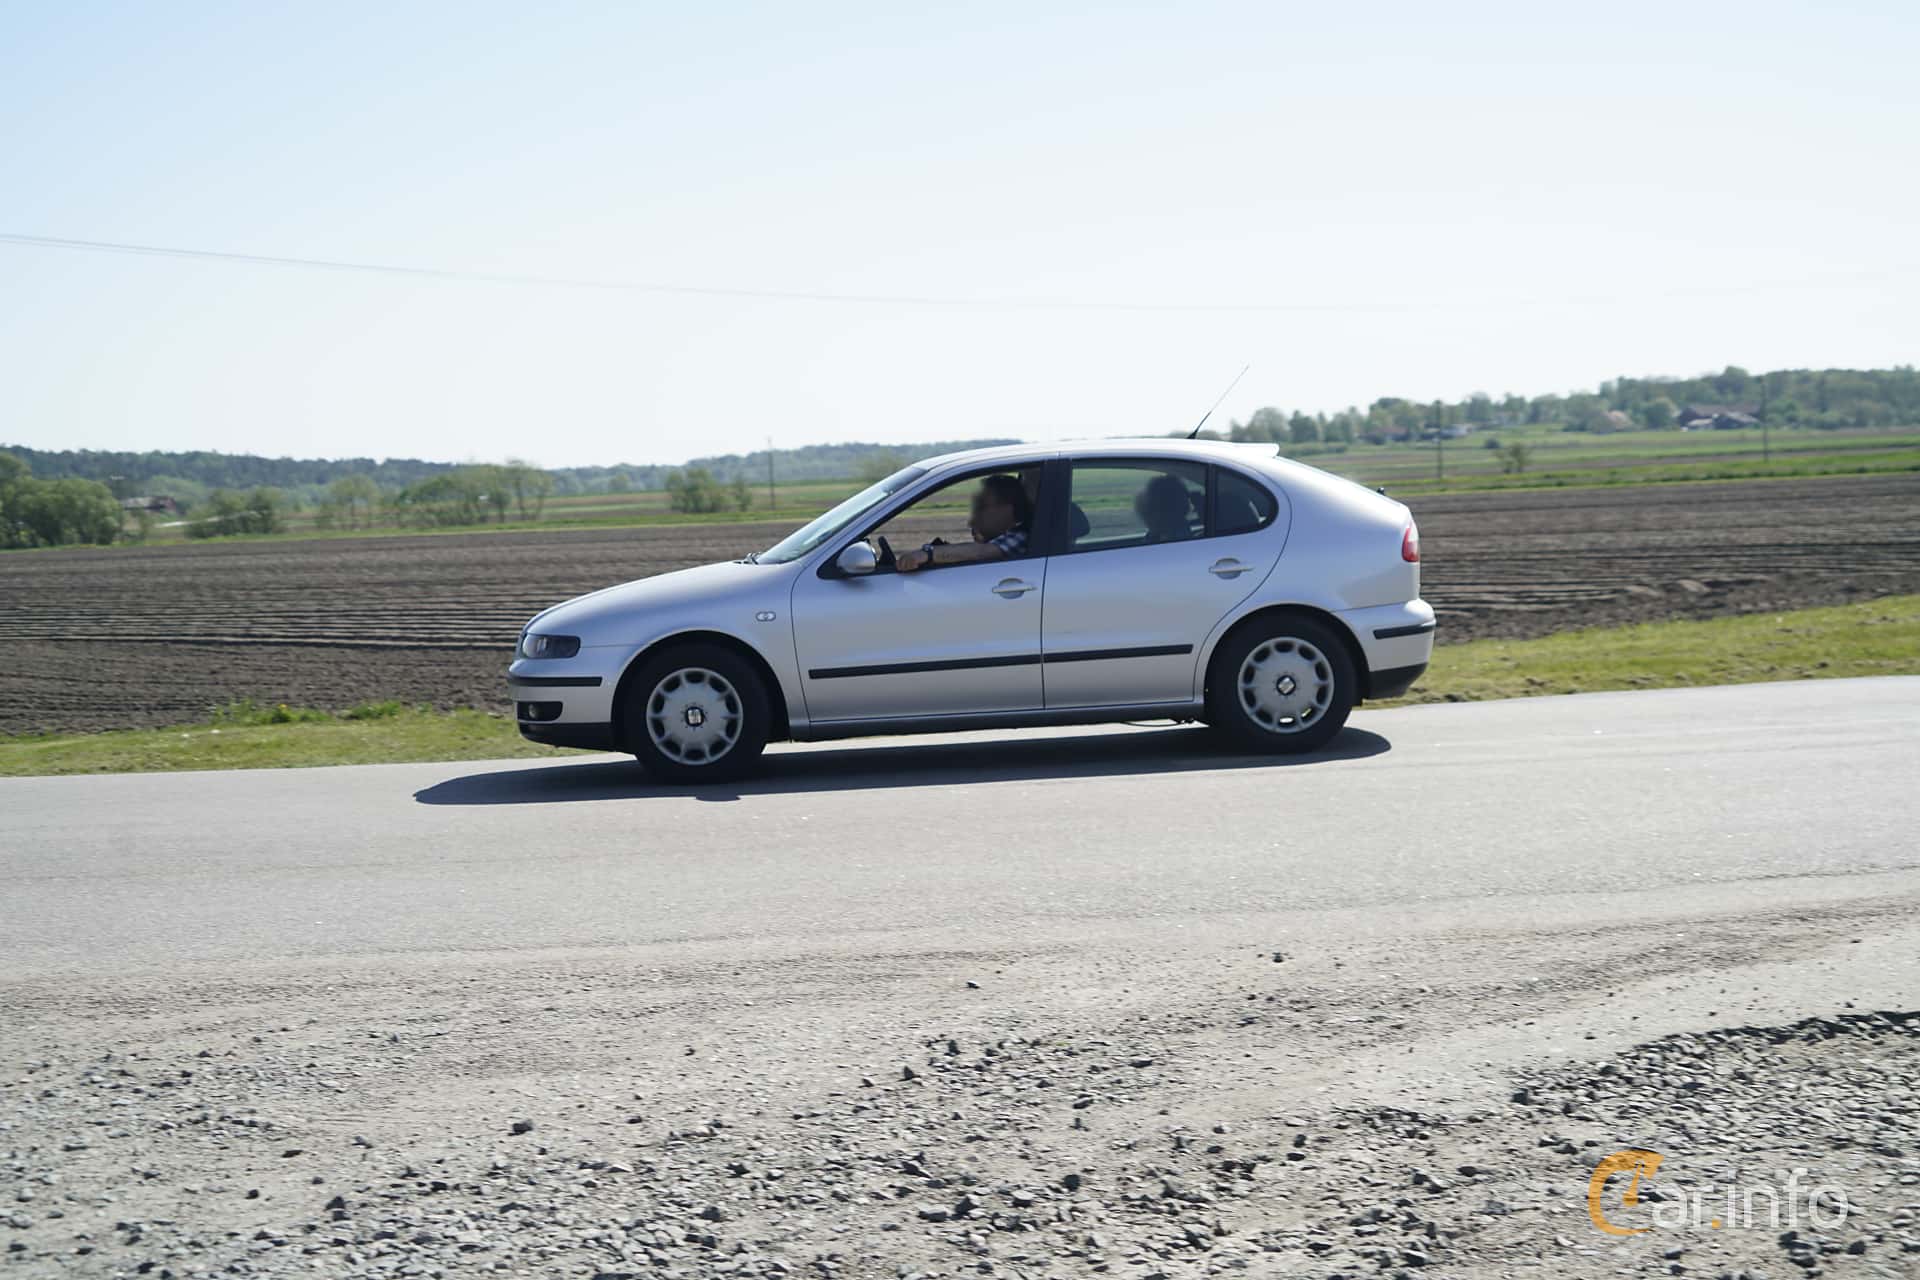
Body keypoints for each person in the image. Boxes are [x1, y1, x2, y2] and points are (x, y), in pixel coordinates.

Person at [895, 473, 1030, 571]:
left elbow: (981, 552)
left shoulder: (1021, 537)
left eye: (981, 507)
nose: (971, 523)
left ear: (1007, 509)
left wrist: (928, 554)